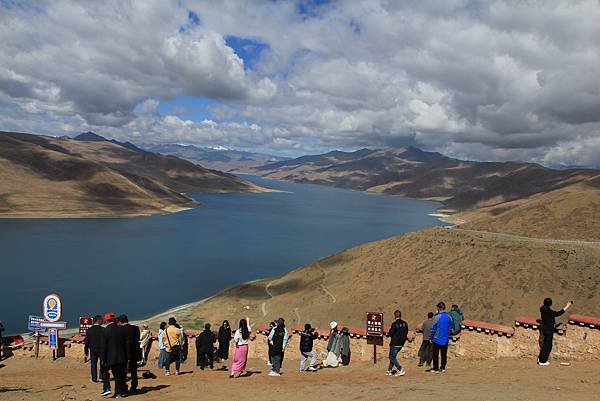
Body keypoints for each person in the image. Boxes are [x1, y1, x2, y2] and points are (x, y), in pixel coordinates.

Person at [538, 298, 572, 366]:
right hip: (549, 329)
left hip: (544, 329)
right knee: (548, 346)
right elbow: (558, 313)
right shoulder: (548, 311)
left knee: (544, 344)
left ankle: (540, 358)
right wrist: (567, 306)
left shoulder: (542, 308)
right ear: (550, 304)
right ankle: (543, 361)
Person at [101, 312, 128, 398]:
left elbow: (104, 346)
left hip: (110, 357)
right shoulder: (121, 329)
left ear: (106, 320)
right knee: (119, 375)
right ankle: (119, 392)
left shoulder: (105, 331)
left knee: (108, 373)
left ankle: (108, 389)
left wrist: (103, 358)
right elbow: (125, 344)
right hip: (121, 356)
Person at [118, 315, 141, 393]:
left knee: (123, 371)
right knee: (134, 371)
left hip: (123, 353)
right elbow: (138, 339)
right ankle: (134, 386)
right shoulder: (135, 328)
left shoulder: (120, 329)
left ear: (120, 322)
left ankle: (124, 387)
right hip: (134, 352)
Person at [429, 302, 453, 373]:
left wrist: (431, 337)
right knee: (444, 354)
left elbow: (433, 328)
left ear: (438, 308)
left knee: (435, 354)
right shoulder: (449, 317)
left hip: (437, 338)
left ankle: (435, 368)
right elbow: (451, 327)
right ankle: (443, 367)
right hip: (445, 338)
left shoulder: (436, 317)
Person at [386, 309, 408, 376]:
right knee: (393, 356)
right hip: (401, 344)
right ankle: (389, 370)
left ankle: (400, 369)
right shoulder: (405, 324)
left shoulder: (394, 324)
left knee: (391, 357)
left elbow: (391, 333)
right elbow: (406, 332)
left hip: (395, 343)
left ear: (394, 316)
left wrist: (388, 334)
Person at [83, 315, 104, 383]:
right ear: (98, 321)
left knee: (93, 364)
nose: (103, 321)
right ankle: (101, 377)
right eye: (101, 320)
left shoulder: (89, 330)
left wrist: (86, 352)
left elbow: (87, 342)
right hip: (102, 349)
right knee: (102, 363)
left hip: (93, 350)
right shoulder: (103, 329)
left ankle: (94, 378)